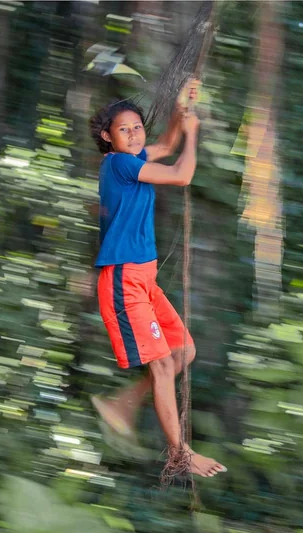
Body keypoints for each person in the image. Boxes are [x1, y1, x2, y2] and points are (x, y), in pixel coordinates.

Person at [88, 82, 226, 479]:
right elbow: (182, 174)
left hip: (144, 279)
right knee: (165, 366)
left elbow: (164, 146)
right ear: (107, 137)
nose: (133, 134)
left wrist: (183, 115)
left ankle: (122, 404)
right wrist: (194, 135)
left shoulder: (132, 158)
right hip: (124, 280)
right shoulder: (120, 163)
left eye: (137, 127)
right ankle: (180, 453)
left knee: (183, 352)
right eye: (124, 129)